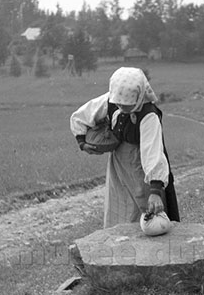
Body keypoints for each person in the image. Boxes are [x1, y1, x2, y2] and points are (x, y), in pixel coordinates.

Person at [70, 67, 180, 228]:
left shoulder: (148, 115)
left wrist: (155, 191)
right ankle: (119, 245)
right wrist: (82, 141)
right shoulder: (112, 100)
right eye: (119, 103)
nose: (122, 107)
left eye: (127, 104)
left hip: (141, 167)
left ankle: (147, 248)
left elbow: (153, 152)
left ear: (139, 96)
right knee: (118, 205)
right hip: (118, 165)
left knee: (145, 210)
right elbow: (82, 116)